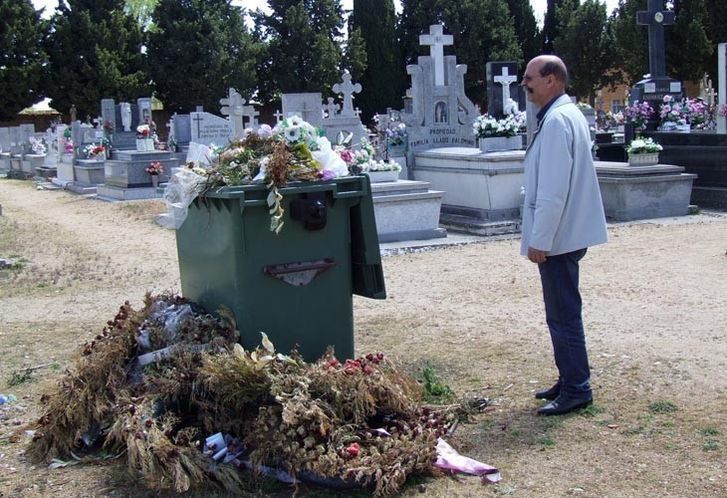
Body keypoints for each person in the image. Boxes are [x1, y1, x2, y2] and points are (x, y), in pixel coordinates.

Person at [519, 55, 608, 416]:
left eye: (530, 77)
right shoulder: (564, 115)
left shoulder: (557, 122)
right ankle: (569, 377)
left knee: (562, 314)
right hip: (566, 233)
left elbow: (553, 191)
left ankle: (577, 388)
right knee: (562, 311)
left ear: (552, 79)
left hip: (558, 238)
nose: (524, 83)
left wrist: (540, 240)